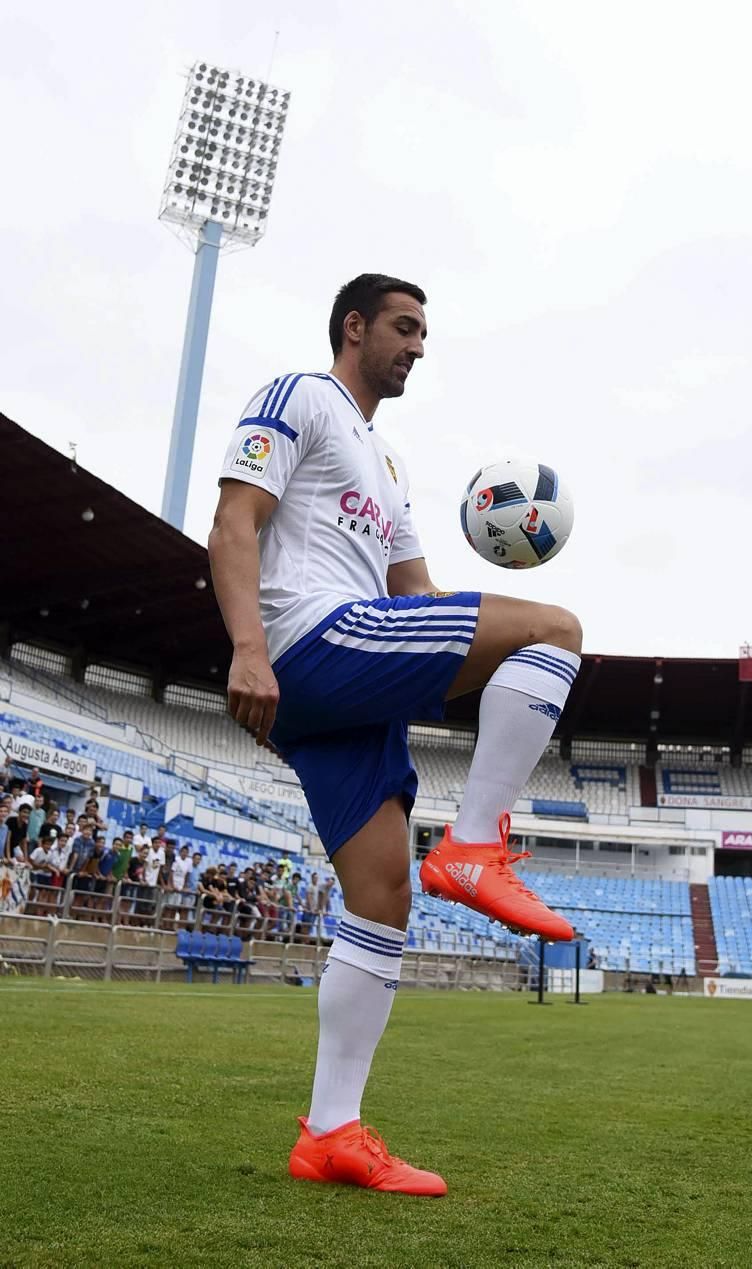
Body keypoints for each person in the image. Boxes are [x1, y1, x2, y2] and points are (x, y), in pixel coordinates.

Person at [208, 273, 581, 1196]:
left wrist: (470, 637)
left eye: (424, 333)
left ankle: (331, 1132)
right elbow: (232, 521)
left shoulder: (390, 466)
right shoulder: (303, 399)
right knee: (557, 630)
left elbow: (414, 599)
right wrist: (249, 648)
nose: (418, 344)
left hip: (351, 678)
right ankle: (475, 844)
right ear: (354, 327)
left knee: (380, 899)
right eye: (405, 327)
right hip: (310, 635)